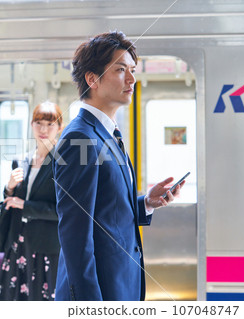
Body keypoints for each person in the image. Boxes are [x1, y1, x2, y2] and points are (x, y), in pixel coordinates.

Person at [52, 31, 185, 301]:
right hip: (99, 292)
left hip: (120, 284)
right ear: (93, 79)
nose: (132, 79)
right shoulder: (80, 138)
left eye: (133, 70)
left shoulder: (107, 133)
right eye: (121, 69)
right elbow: (76, 236)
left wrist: (146, 202)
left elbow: (104, 213)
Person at [0, 101, 63, 301]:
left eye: (50, 124)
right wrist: (9, 188)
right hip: (18, 243)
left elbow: (64, 210)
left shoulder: (62, 162)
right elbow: (11, 201)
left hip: (47, 246)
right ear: (31, 125)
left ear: (59, 128)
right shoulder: (21, 160)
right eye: (38, 123)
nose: (43, 129)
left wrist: (26, 206)